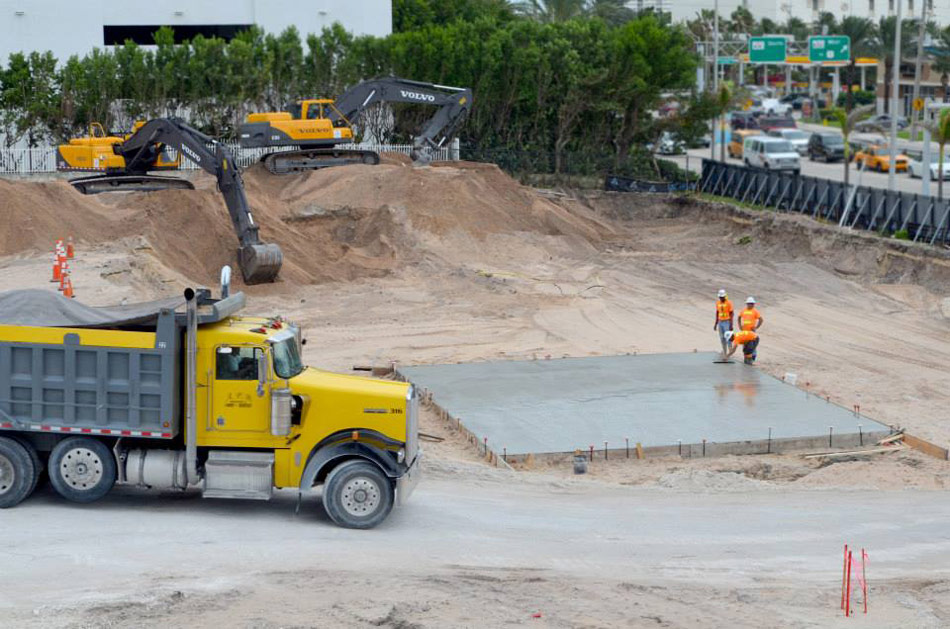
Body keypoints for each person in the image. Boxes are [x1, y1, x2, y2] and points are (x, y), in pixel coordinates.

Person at [712, 289, 734, 356]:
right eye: (720, 297)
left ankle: (730, 351)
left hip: (726, 321)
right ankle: (724, 351)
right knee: (722, 338)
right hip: (720, 322)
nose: (721, 298)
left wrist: (731, 324)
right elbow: (717, 312)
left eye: (722, 297)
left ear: (725, 296)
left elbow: (731, 313)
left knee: (728, 337)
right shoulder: (718, 303)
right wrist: (716, 323)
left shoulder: (729, 303)